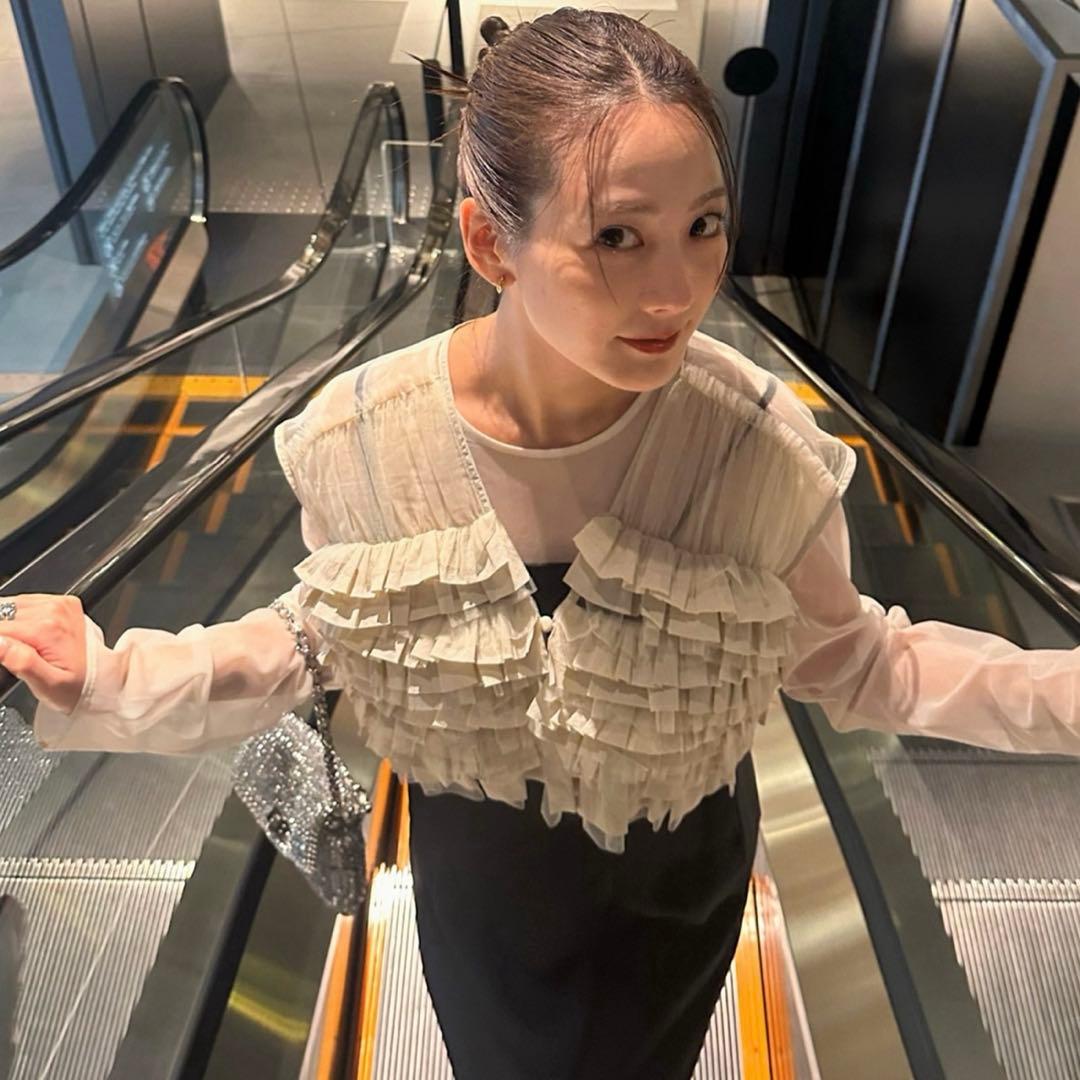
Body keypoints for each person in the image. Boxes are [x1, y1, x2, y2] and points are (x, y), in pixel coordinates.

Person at [0, 8, 1078, 1078]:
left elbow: (859, 661)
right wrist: (108, 677)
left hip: (677, 880)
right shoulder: (362, 441)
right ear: (488, 244)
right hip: (482, 883)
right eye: (616, 236)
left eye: (704, 225)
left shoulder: (755, 450)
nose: (677, 290)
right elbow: (325, 637)